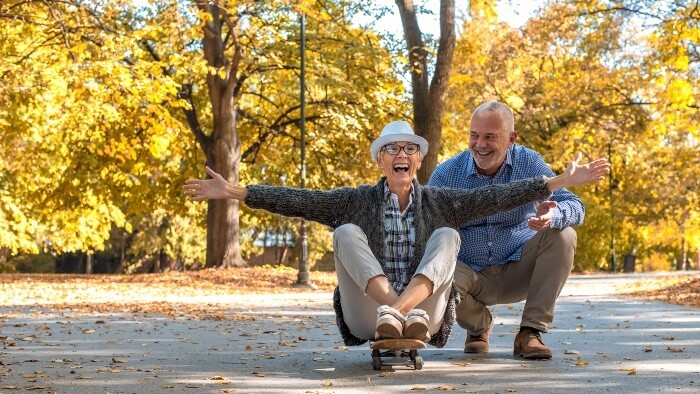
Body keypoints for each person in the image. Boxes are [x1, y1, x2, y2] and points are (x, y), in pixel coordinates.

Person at [184, 120, 609, 348]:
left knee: (446, 235)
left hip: (426, 315)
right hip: (369, 312)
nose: (400, 155)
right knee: (346, 231)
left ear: (419, 161)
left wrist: (554, 183)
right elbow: (298, 199)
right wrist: (236, 191)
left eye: (409, 149)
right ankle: (394, 310)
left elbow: (502, 196)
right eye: (391, 149)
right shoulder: (355, 200)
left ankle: (405, 312)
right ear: (380, 161)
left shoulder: (441, 200)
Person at [428, 101, 591, 359]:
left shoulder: (529, 162)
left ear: (511, 138)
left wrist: (554, 214)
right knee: (433, 274)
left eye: (490, 137)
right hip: (469, 272)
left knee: (564, 234)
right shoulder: (448, 173)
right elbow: (426, 227)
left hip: (519, 267)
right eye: (474, 135)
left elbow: (574, 205)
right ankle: (479, 326)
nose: (480, 145)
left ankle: (530, 333)